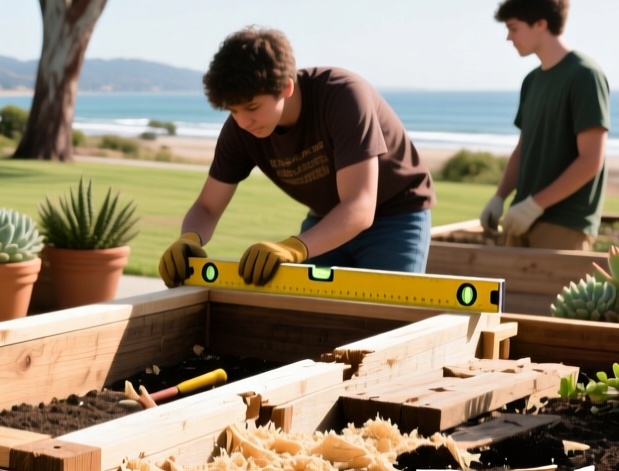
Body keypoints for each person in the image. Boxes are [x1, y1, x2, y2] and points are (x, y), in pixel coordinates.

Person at [158, 27, 435, 289]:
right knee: (305, 321)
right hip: (326, 218)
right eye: (233, 111)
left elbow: (360, 207)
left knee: (387, 323)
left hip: (396, 217)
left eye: (252, 107)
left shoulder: (344, 96)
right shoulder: (242, 129)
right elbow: (208, 206)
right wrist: (189, 238)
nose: (243, 122)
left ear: (286, 87)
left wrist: (293, 248)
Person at [480, 0, 610, 250]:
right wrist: (500, 196)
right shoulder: (531, 81)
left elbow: (591, 160)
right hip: (521, 219)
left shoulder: (585, 75)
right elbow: (524, 147)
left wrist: (534, 205)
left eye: (514, 28)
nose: (509, 38)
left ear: (540, 23)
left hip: (564, 225)